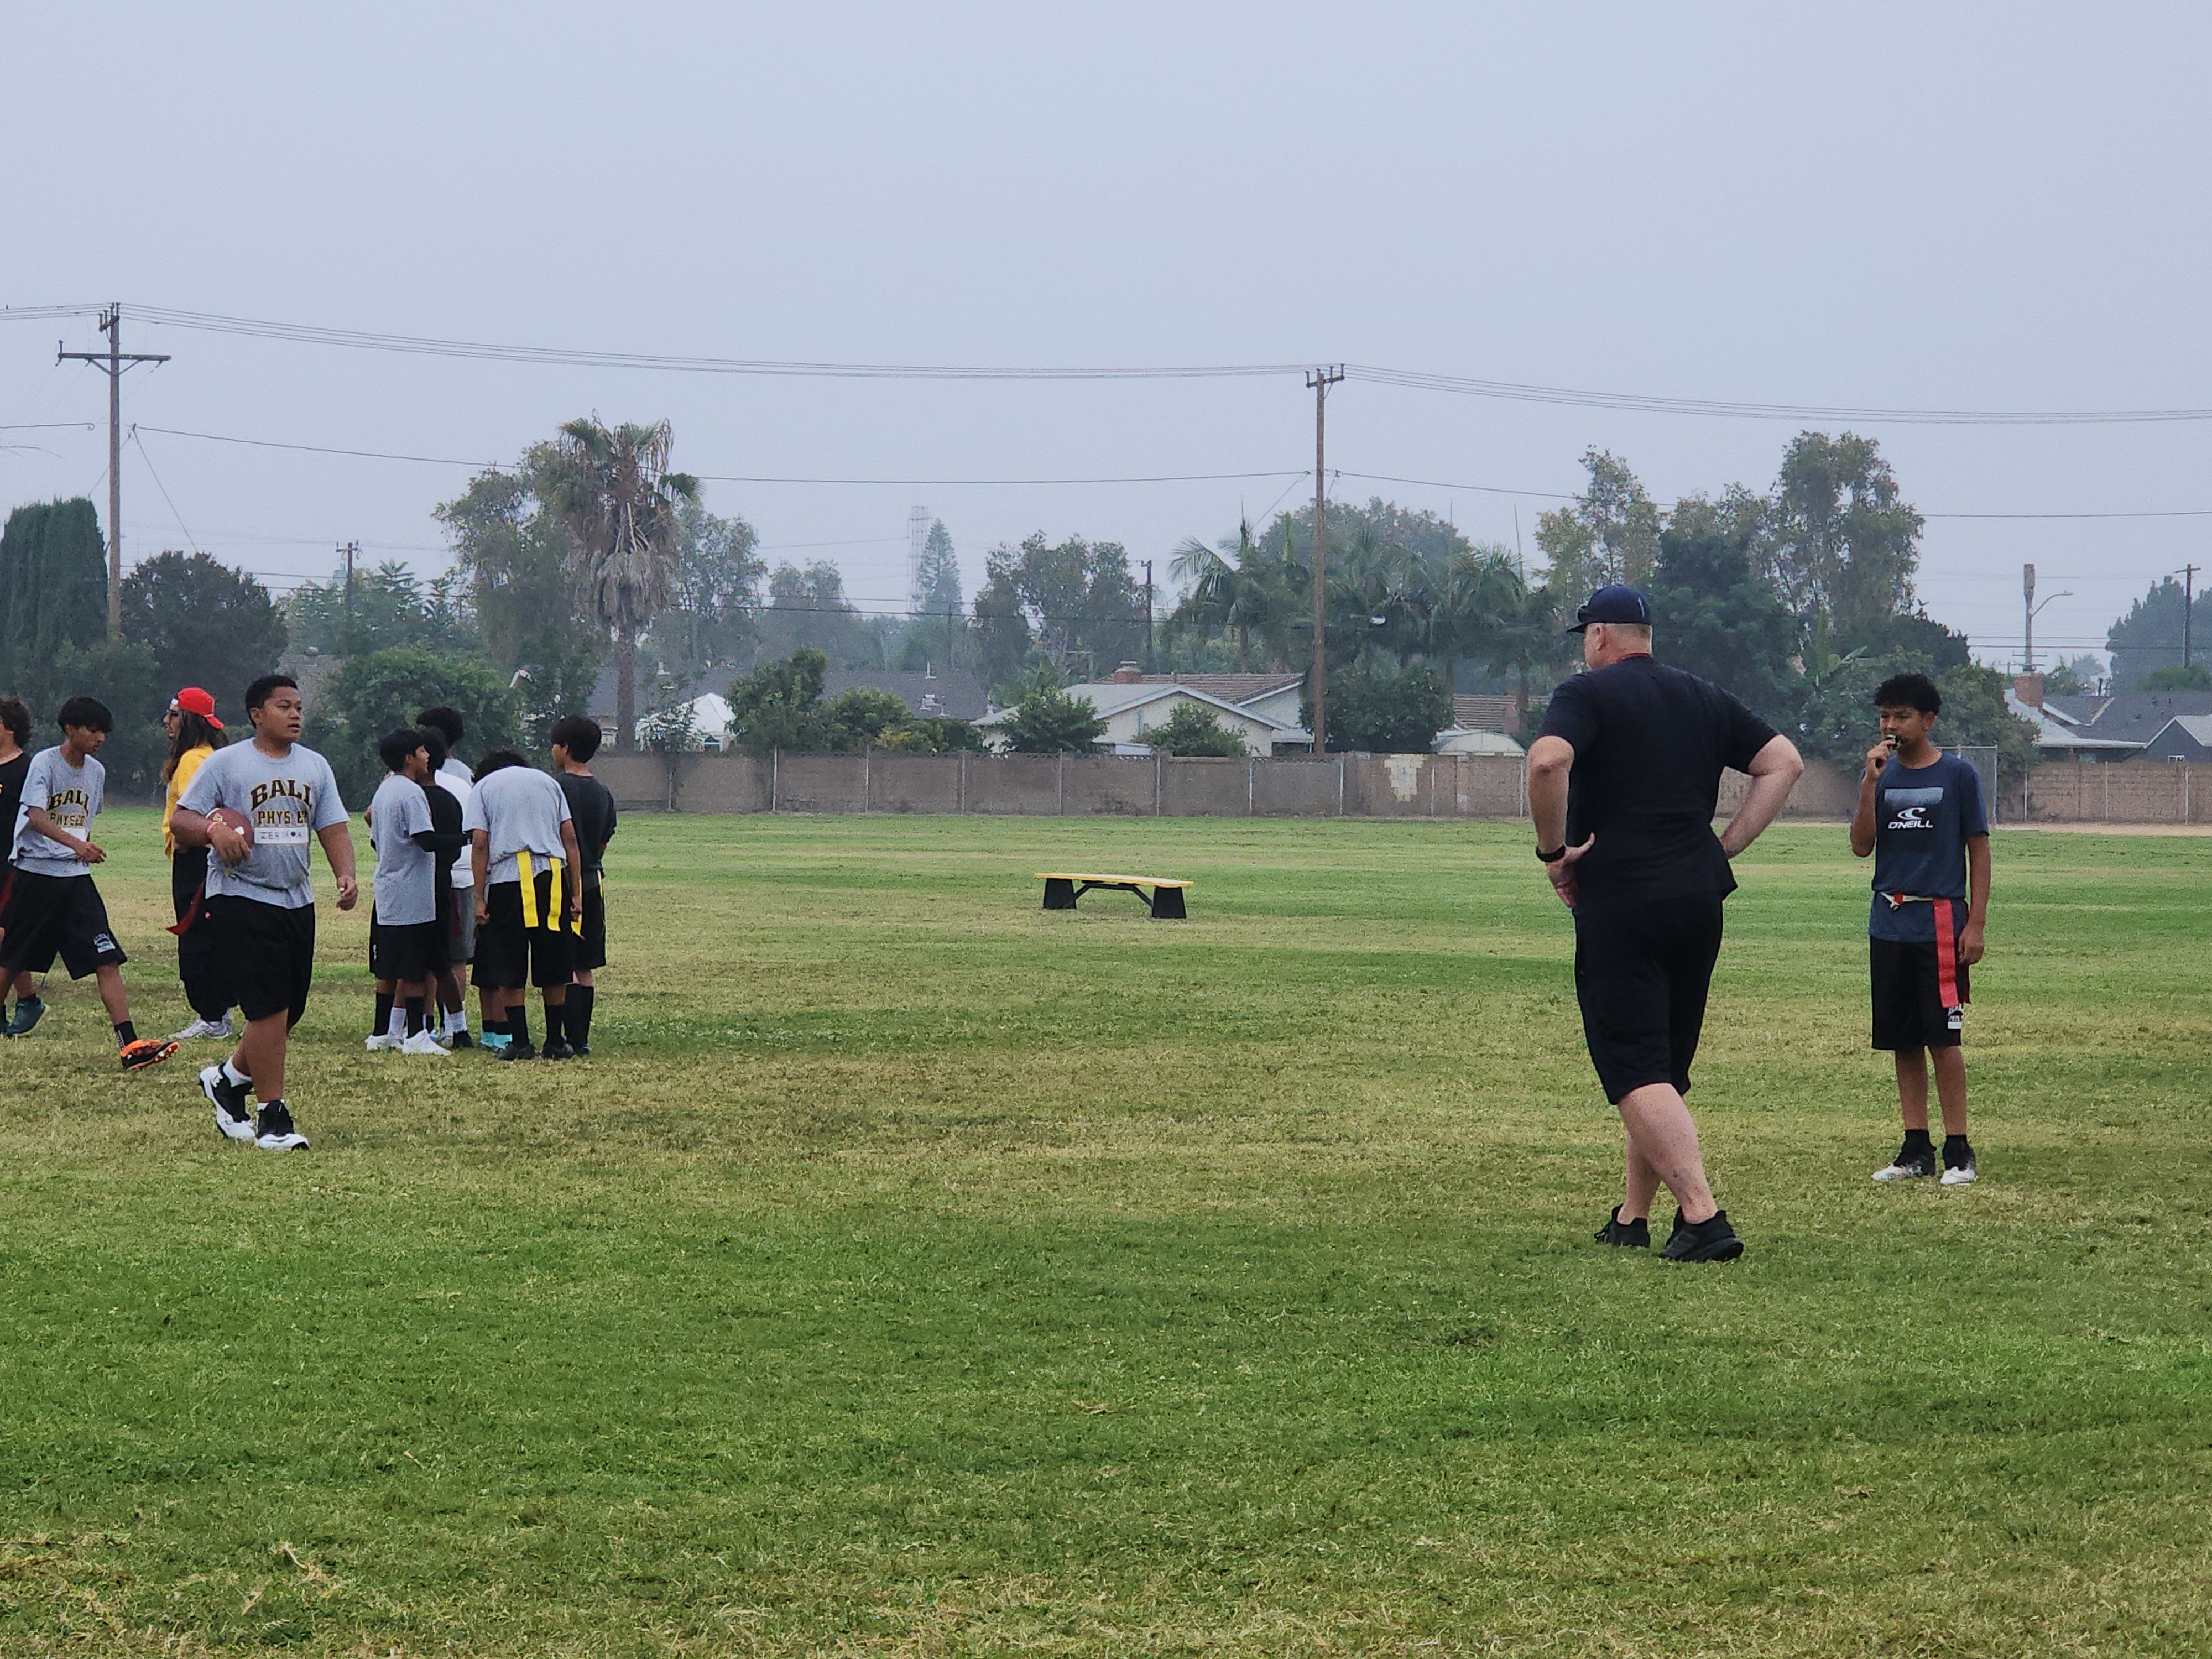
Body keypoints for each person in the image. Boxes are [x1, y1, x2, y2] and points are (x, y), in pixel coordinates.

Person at [1526, 585, 1804, 1262]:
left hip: (1623, 896)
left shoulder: (1586, 693)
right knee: (1661, 1068)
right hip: (1697, 897)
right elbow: (1784, 762)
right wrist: (1726, 844)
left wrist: (1553, 853)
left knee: (1631, 1065)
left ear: (1598, 635)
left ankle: (1703, 1217)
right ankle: (1633, 1216)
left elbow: (1546, 761)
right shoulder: (1702, 695)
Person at [172, 674, 356, 1151]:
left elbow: (333, 827)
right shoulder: (227, 763)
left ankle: (228, 1079)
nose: (295, 714)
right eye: (283, 706)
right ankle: (273, 1117)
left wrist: (346, 874)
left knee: (286, 1011)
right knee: (268, 1006)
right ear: (257, 715)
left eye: (299, 707)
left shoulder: (314, 765)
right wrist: (214, 830)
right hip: (240, 895)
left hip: (295, 899)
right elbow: (182, 819)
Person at [1851, 672, 1989, 1186]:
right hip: (1889, 923)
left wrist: (1976, 923)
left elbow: (1979, 849)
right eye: (1885, 716)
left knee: (1943, 1040)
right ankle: (1915, 1148)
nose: (1892, 726)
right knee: (1902, 1040)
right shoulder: (1880, 775)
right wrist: (1869, 784)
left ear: (1928, 720)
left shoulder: (1958, 775)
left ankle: (1958, 1149)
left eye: (1903, 716)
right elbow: (1861, 846)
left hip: (1940, 923)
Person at [0, 696, 179, 1069]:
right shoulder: (44, 764)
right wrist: (76, 845)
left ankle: (130, 1045)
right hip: (36, 876)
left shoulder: (96, 771)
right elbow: (36, 816)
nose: (100, 738)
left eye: (103, 732)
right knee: (12, 959)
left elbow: (84, 820)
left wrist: (80, 849)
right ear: (71, 729)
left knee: (107, 958)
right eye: (93, 730)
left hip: (76, 880)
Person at [466, 748, 583, 1061]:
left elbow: (480, 843)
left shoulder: (484, 788)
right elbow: (570, 838)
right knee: (554, 958)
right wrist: (576, 892)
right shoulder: (548, 782)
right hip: (551, 876)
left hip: (508, 879)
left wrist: (479, 898)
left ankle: (520, 1041)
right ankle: (555, 1041)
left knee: (510, 958)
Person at [366, 727, 465, 1058]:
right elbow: (425, 839)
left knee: (389, 966)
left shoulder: (384, 790)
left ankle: (382, 1033)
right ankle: (416, 1035)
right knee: (413, 967)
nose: (427, 757)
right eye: (422, 751)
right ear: (410, 757)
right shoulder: (411, 793)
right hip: (412, 891)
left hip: (389, 889)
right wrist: (465, 838)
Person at [160, 687, 235, 1042]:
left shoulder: (192, 760)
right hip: (208, 859)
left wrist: (186, 841)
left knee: (195, 937)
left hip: (196, 858)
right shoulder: (213, 756)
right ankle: (219, 1012)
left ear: (189, 720)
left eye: (174, 715)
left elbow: (199, 814)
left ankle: (212, 1016)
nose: (167, 722)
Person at [550, 714, 617, 1055]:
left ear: (565, 748)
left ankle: (563, 1035)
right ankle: (581, 1038)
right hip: (593, 881)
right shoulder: (603, 792)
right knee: (585, 965)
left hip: (561, 882)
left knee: (564, 961)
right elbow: (604, 841)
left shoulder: (555, 787)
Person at [417, 706, 481, 1045]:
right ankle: (453, 1025)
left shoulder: (415, 780)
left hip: (430, 875)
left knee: (427, 956)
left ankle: (424, 1024)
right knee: (455, 956)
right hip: (463, 873)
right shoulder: (467, 778)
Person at [0, 695, 36, 1030]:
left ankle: (27, 1000)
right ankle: (27, 1000)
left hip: (12, 862)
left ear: (9, 728)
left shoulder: (27, 770)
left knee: (4, 934)